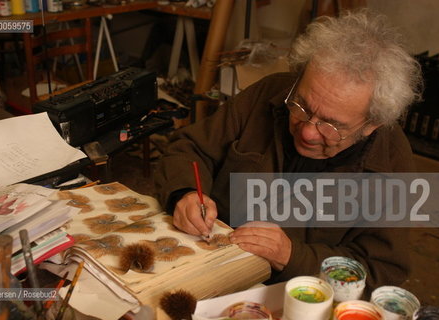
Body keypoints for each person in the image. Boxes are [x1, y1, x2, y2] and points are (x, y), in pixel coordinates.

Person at [154, 10, 422, 292]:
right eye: (301, 105)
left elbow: (380, 272)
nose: (306, 131)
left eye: (331, 125)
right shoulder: (268, 92)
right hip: (203, 262)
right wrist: (183, 193)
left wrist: (292, 256)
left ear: (371, 124)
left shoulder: (391, 164)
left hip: (294, 295)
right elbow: (189, 148)